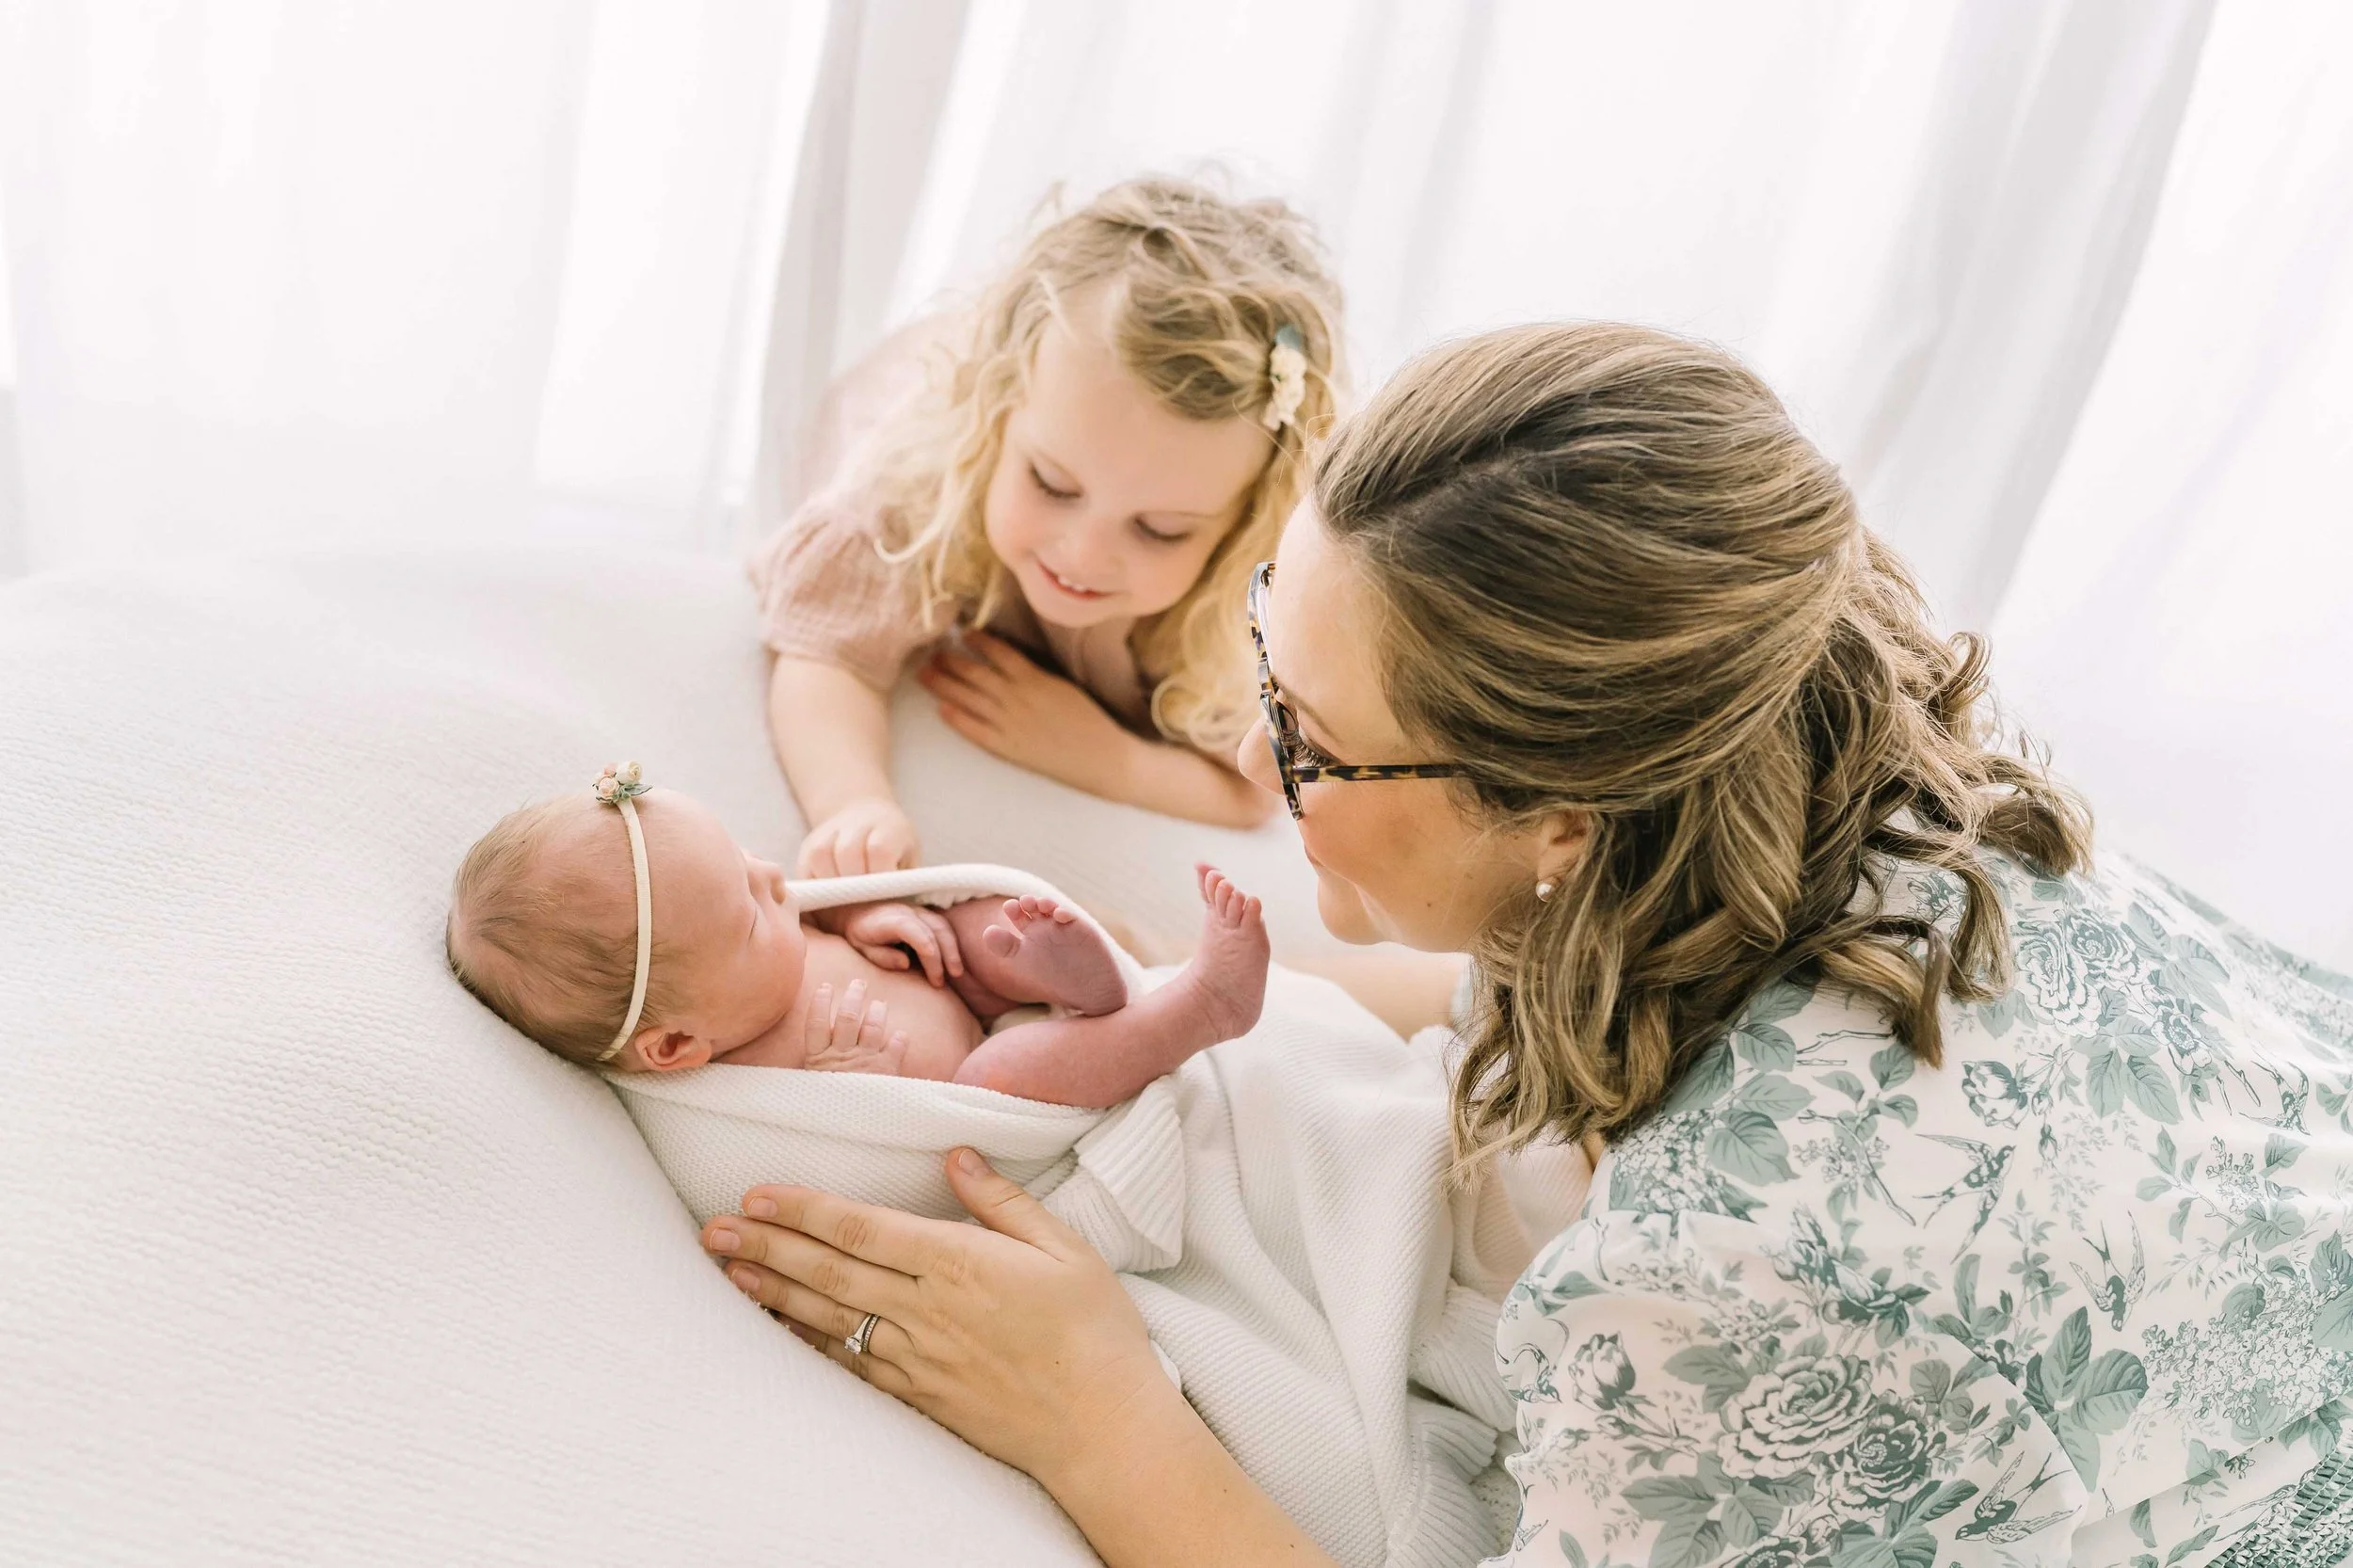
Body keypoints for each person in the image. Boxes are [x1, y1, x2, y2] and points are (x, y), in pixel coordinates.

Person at [694, 323, 2353, 1567]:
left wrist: (1101, 1419)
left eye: (1319, 744)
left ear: (1562, 817)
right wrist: (1194, 990)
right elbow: (1517, 969)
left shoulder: (1715, 1281)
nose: (1269, 771)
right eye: (1269, 662)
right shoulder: (1814, 773)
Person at [754, 176, 1345, 876]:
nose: (1083, 554)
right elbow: (826, 650)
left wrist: (1111, 760)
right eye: (1052, 485)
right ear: (998, 410)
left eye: (1159, 530)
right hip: (908, 420)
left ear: (1242, 525)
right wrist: (855, 804)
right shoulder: (925, 483)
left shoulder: (1234, 606)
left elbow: (1255, 788)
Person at [444, 765, 1267, 1108]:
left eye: (743, 858)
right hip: (970, 1086)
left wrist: (867, 917)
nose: (774, 879)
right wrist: (855, 1090)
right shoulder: (736, 1090)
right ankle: (1194, 1010)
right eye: (750, 909)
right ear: (674, 1046)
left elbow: (821, 903)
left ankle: (1069, 983)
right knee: (1004, 1073)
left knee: (974, 928)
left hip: (955, 988)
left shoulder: (740, 950)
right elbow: (840, 1170)